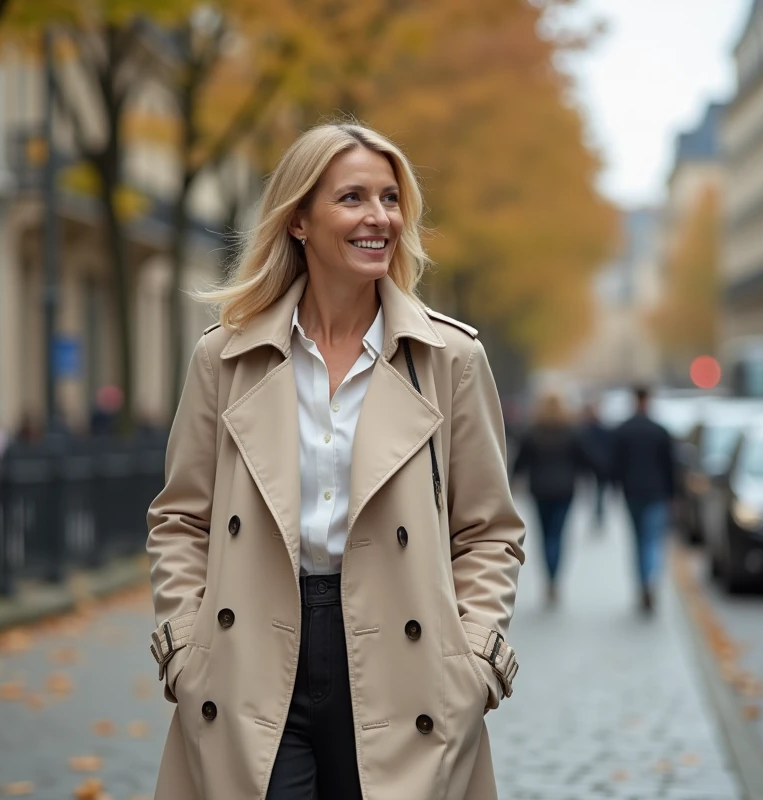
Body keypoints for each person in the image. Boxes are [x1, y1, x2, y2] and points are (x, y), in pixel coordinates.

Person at [146, 123, 525, 800]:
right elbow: (179, 517)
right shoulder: (225, 357)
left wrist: (473, 663)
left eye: (389, 197)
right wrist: (185, 650)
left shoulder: (450, 359)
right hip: (251, 654)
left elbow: (490, 531)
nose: (380, 217)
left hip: (404, 664)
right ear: (299, 220)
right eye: (353, 198)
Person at [511, 391, 599, 606]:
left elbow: (520, 463)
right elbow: (586, 459)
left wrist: (512, 483)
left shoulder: (532, 432)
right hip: (564, 491)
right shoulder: (571, 432)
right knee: (558, 535)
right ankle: (554, 578)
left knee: (544, 535)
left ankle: (548, 579)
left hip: (539, 490)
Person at [611, 386, 679, 615]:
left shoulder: (623, 430)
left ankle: (642, 584)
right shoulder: (659, 431)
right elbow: (670, 466)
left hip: (632, 492)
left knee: (638, 541)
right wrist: (673, 495)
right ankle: (650, 581)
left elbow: (615, 464)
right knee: (652, 540)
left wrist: (615, 487)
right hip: (656, 493)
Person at [577, 400, 612, 535]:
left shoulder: (592, 430)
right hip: (593, 467)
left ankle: (598, 516)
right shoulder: (582, 430)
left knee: (598, 494)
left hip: (599, 467)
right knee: (595, 494)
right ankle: (596, 515)